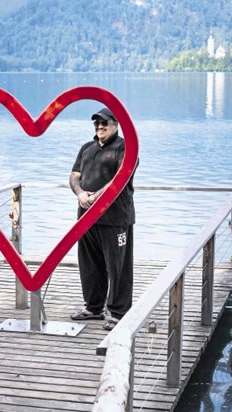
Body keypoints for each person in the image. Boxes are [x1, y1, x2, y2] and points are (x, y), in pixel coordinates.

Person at [69, 108, 136, 331]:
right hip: (86, 218)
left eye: (104, 123)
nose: (100, 127)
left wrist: (96, 196)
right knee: (89, 265)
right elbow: (74, 176)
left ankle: (118, 313)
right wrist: (80, 193)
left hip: (116, 219)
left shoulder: (126, 147)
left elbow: (121, 177)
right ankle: (94, 308)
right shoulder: (86, 149)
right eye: (96, 123)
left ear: (116, 124)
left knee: (118, 267)